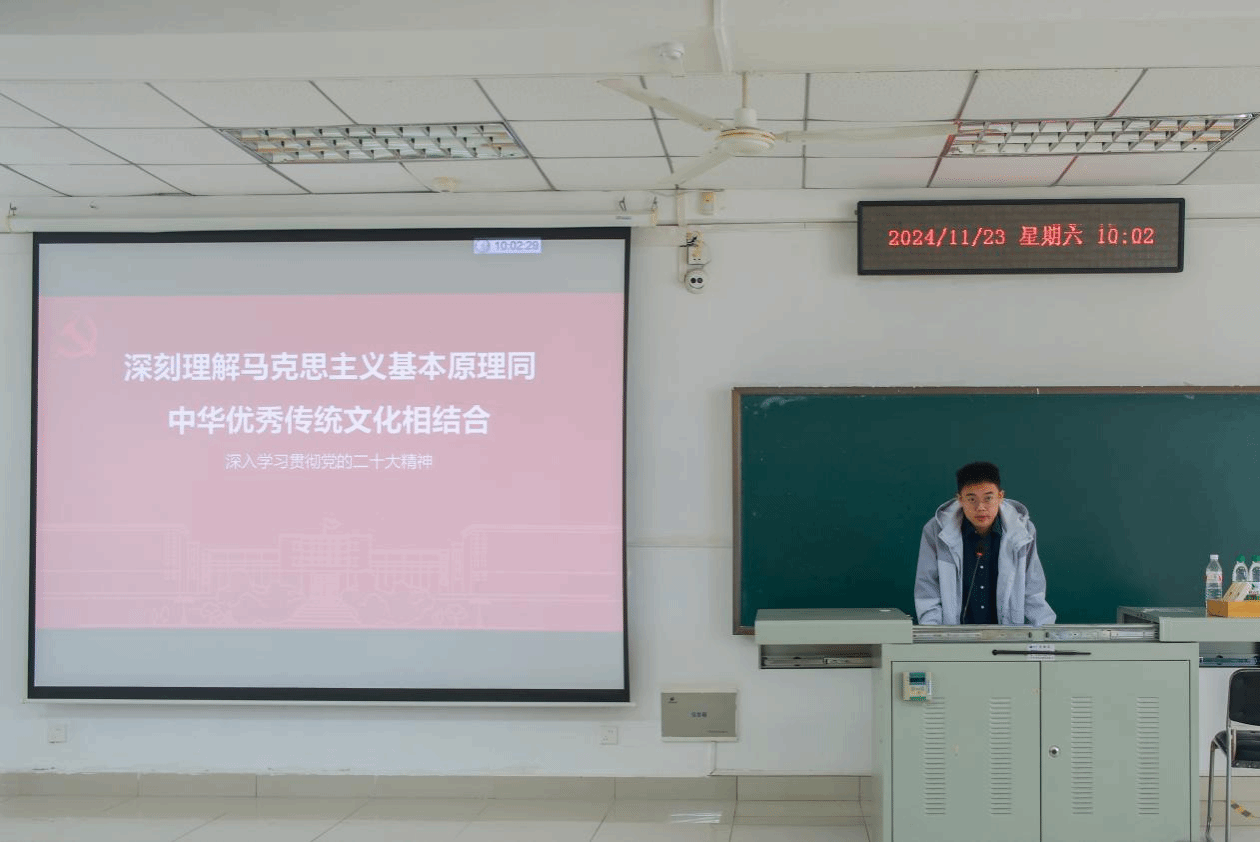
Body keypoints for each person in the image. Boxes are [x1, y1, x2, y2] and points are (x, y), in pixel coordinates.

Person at [913, 461, 1055, 626]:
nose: (980, 507)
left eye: (988, 498)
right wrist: (933, 634)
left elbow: (1033, 591)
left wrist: (1045, 631)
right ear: (960, 499)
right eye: (971, 499)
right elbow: (927, 590)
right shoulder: (936, 530)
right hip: (953, 636)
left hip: (1007, 636)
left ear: (1000, 497)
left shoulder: (1022, 530)